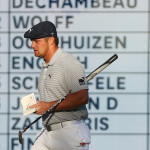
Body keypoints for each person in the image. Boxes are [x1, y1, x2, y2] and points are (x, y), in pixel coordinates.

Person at [24, 21, 91, 150]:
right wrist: (41, 106)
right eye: (32, 41)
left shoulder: (68, 63)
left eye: (36, 41)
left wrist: (48, 106)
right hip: (48, 132)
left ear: (51, 41)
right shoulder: (46, 66)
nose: (32, 45)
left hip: (69, 133)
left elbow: (82, 97)